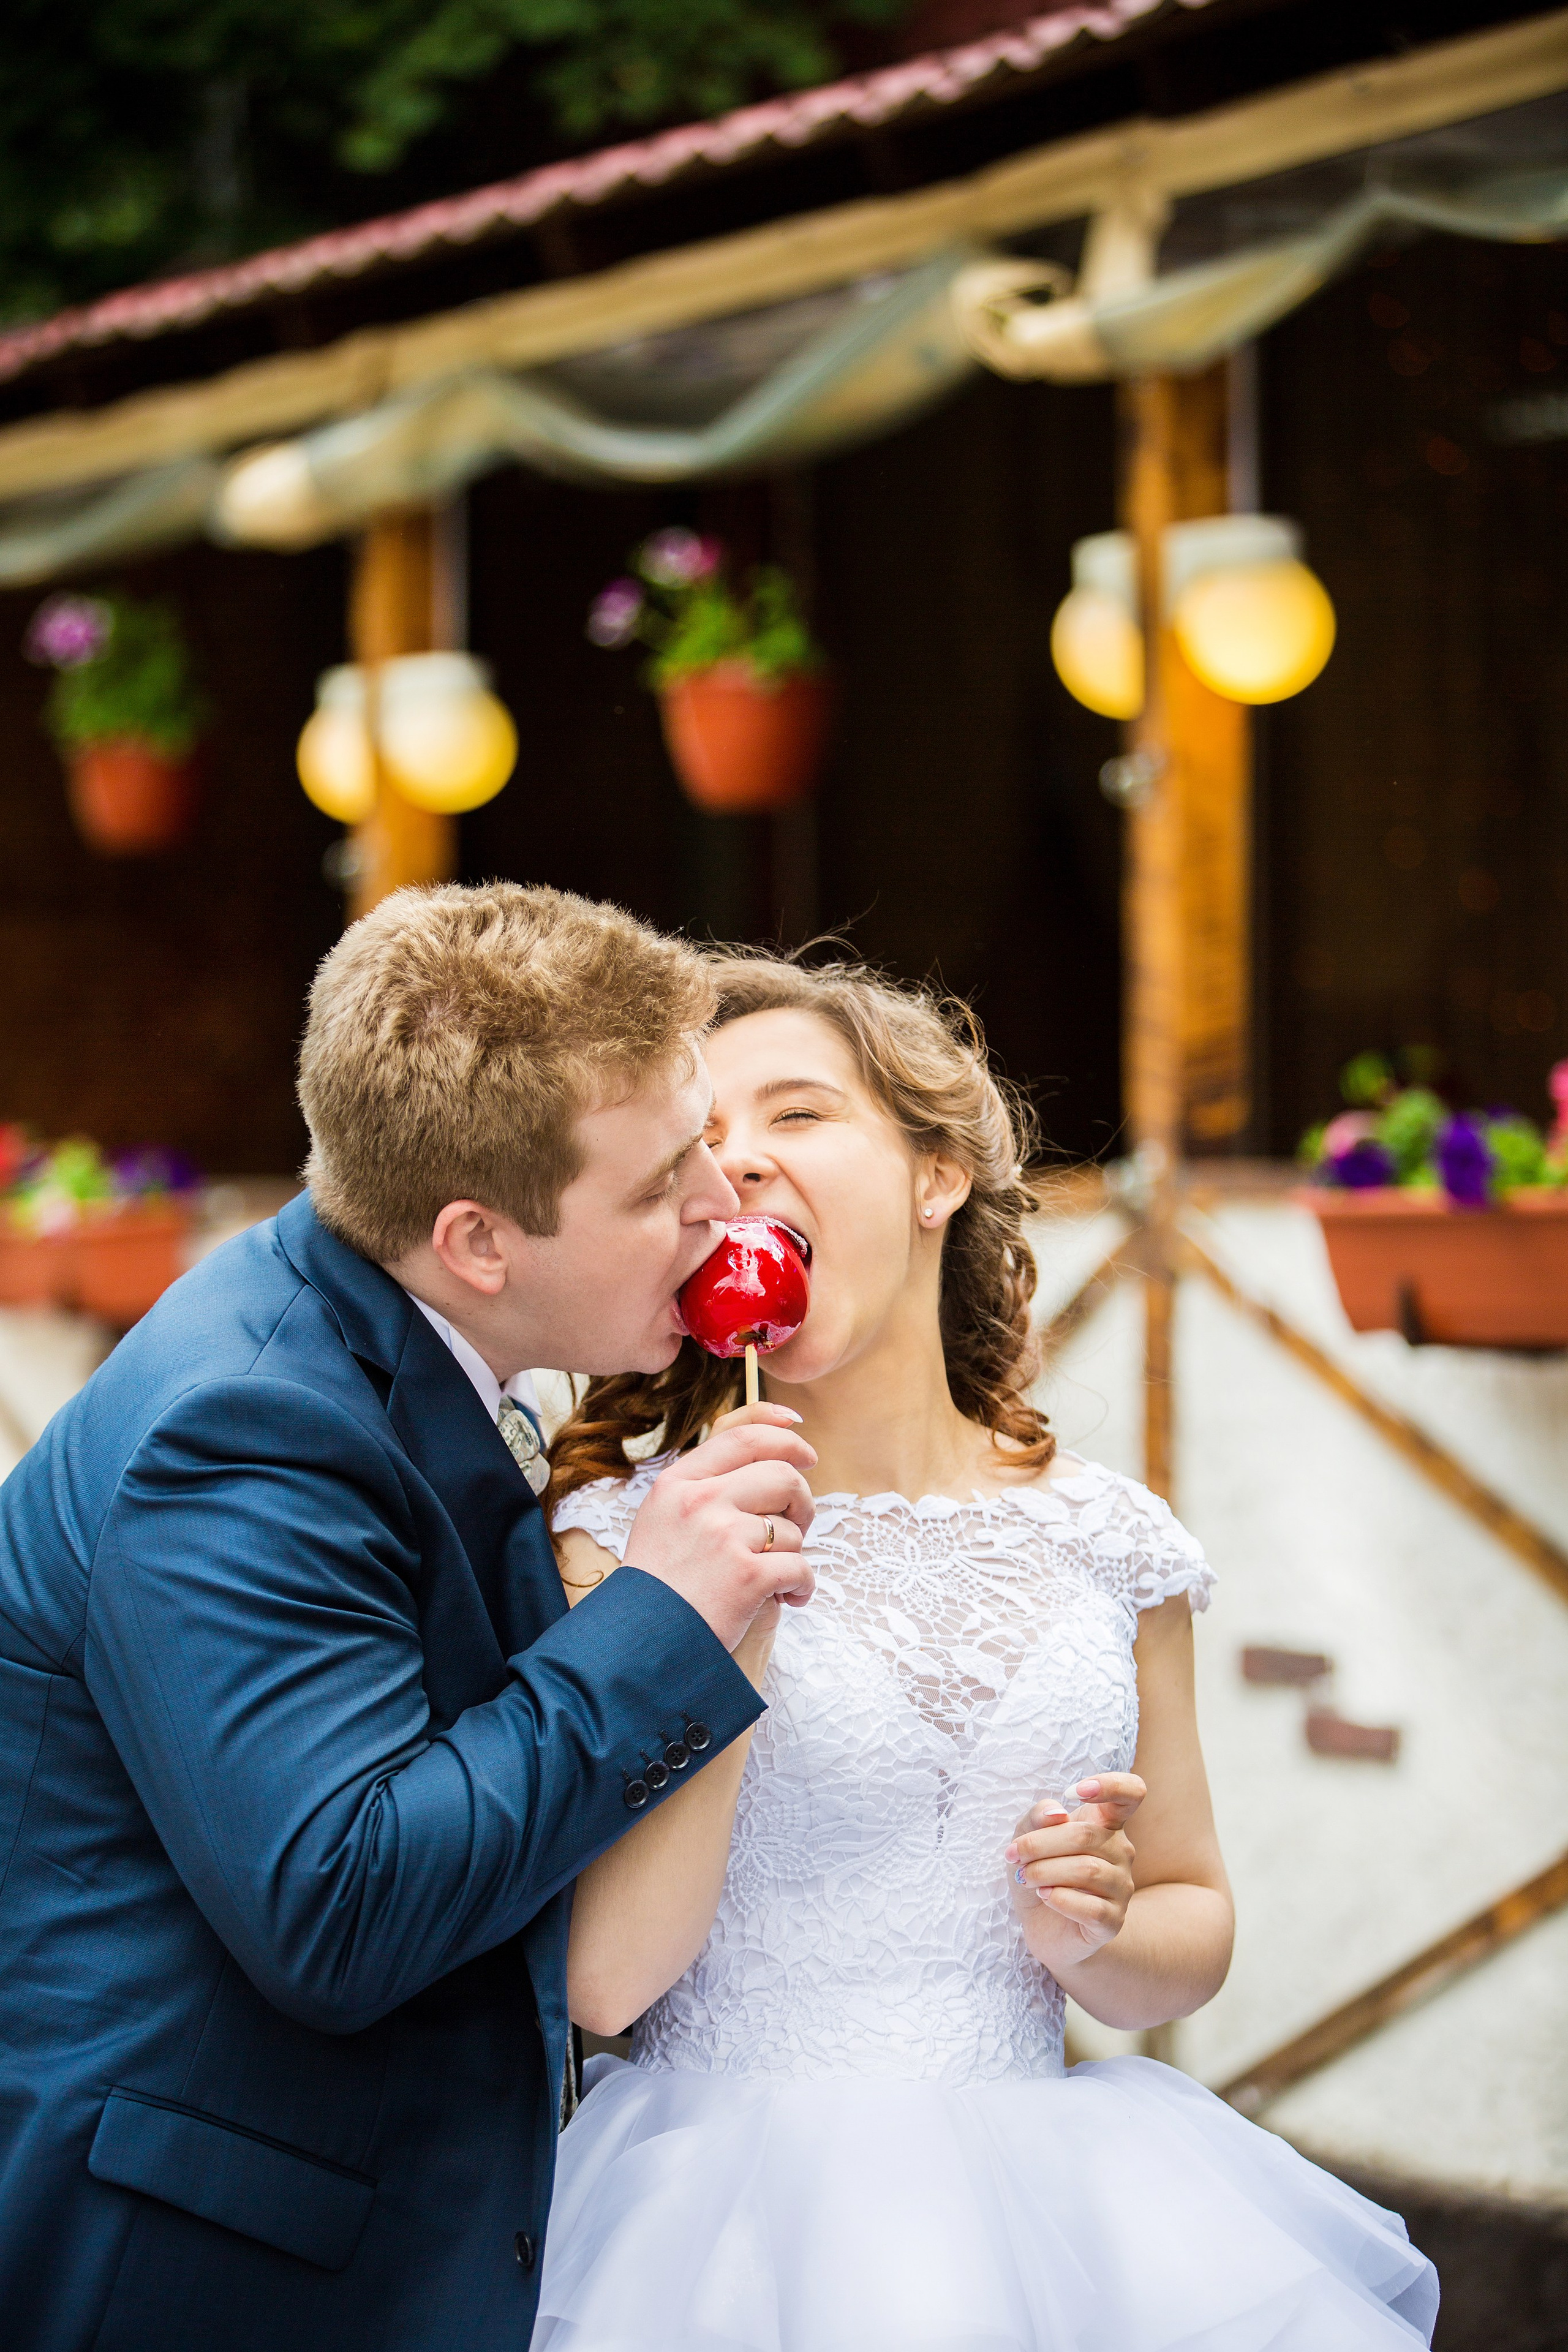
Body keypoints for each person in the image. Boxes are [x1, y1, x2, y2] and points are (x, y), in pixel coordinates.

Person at [539, 951, 1440, 2352]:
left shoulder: (1110, 1541)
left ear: (933, 1171)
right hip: (715, 2235)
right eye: (704, 1143)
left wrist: (1090, 1938)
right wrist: (720, 1624)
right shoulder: (617, 1538)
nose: (745, 1167)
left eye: (796, 1116)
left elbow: (1189, 1927)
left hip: (1058, 2228)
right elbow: (604, 1985)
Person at [0, 883, 818, 2352]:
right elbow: (341, 1903)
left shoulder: (396, 1325)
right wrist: (660, 1615)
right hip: (214, 2276)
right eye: (653, 1188)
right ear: (477, 1242)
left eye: (702, 1135)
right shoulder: (242, 1427)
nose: (720, 1199)